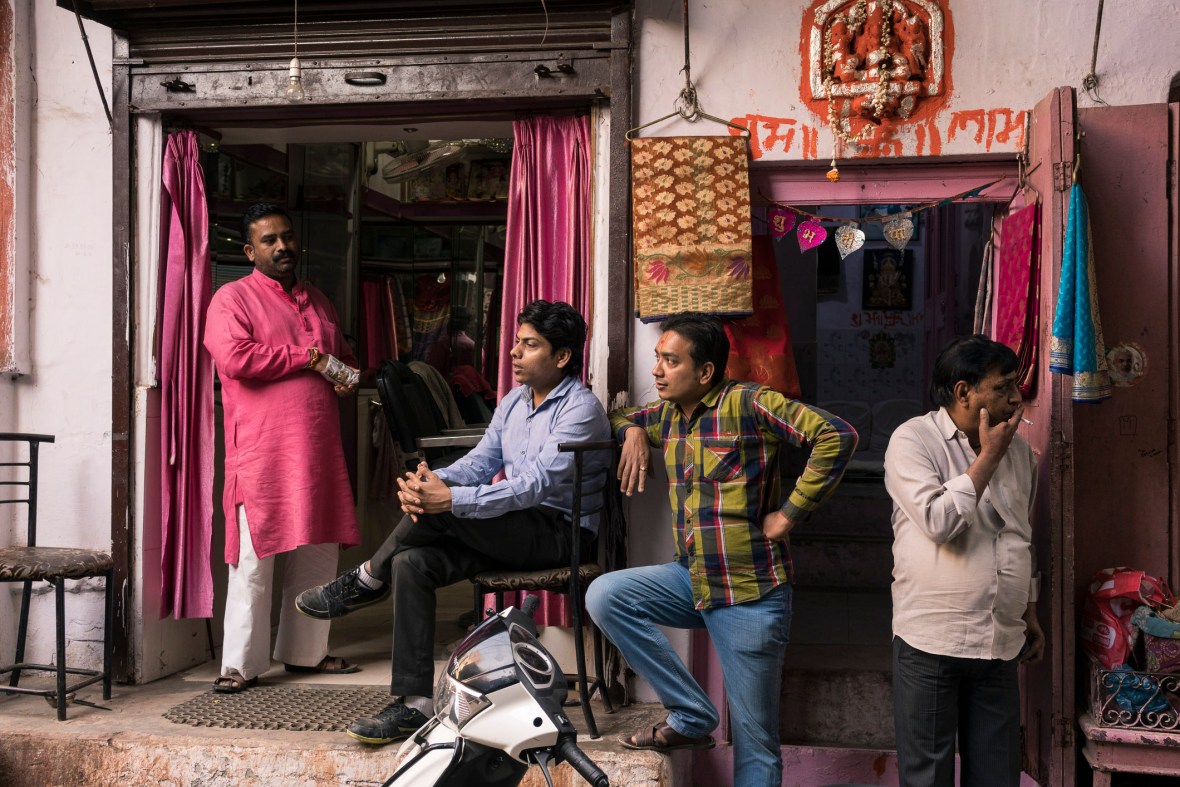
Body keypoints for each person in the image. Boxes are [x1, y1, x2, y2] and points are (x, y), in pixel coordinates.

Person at [296, 299, 611, 745]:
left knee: (443, 508)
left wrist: (449, 500)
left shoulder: (580, 410)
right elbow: (481, 462)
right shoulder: (514, 403)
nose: (515, 353)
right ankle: (413, 705)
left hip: (558, 533)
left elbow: (534, 486)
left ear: (561, 357)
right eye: (517, 342)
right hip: (511, 527)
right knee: (412, 564)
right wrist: (432, 480)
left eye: (530, 345)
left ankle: (367, 578)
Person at [586, 313, 858, 787]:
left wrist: (790, 512)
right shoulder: (667, 416)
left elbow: (836, 435)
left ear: (706, 371)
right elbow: (619, 414)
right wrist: (631, 432)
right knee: (606, 595)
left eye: (671, 361)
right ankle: (691, 715)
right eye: (657, 359)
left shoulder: (750, 404)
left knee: (755, 743)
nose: (657, 371)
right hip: (692, 581)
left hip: (750, 593)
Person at [203, 203, 362, 693]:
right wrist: (307, 358)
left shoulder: (318, 300)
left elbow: (346, 360)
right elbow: (235, 357)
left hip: (319, 454)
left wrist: (344, 378)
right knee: (254, 560)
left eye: (287, 237)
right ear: (250, 251)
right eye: (269, 240)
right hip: (263, 454)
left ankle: (305, 653)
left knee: (317, 556)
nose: (282, 247)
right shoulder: (232, 299)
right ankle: (239, 665)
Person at [884, 335, 1045, 787]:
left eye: (1015, 386)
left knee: (997, 777)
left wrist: (1028, 611)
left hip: (999, 642)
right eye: (1003, 387)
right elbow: (938, 521)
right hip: (932, 641)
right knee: (926, 778)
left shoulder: (1019, 452)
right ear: (963, 393)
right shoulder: (913, 440)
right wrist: (987, 456)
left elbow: (1019, 534)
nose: (1016, 398)